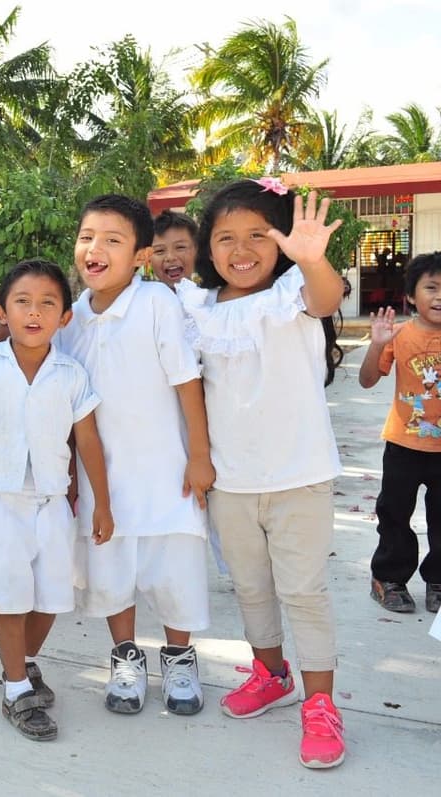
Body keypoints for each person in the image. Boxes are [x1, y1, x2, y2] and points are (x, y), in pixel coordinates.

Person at [176, 180, 346, 769]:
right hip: (231, 481)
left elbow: (327, 297)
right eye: (225, 238)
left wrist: (312, 258)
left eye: (257, 235)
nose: (241, 249)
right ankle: (272, 675)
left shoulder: (294, 293)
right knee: (250, 588)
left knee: (303, 592)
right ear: (208, 247)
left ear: (281, 243)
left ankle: (320, 704)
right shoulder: (197, 307)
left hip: (300, 476)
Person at [56, 195, 213, 716]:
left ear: (141, 256)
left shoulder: (155, 304)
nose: (94, 249)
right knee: (111, 574)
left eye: (112, 240)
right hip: (103, 480)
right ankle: (125, 658)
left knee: (175, 574)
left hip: (166, 474)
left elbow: (187, 383)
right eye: (86, 237)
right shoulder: (71, 319)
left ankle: (179, 659)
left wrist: (199, 456)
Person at [0, 260, 112, 740]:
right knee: (10, 599)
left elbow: (88, 441)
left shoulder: (71, 374)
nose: (34, 312)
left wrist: (102, 503)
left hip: (52, 500)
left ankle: (22, 661)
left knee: (51, 596)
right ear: (2, 310)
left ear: (65, 317)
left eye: (47, 304)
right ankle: (16, 688)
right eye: (22, 302)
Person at [358, 252, 441, 615]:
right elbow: (367, 380)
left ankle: (438, 581)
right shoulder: (401, 335)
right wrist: (378, 343)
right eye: (431, 288)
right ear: (410, 296)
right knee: (394, 515)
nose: (439, 296)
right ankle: (388, 579)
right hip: (403, 444)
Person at [150, 210, 198, 288]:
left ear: (197, 250)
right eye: (159, 251)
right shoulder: (143, 295)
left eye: (180, 247)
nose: (170, 257)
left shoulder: (210, 294)